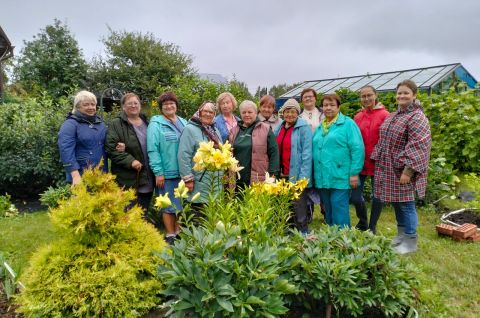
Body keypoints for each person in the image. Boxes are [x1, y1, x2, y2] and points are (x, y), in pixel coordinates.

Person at [371, 80, 431, 254]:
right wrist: (376, 157)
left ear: (414, 95)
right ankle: (401, 236)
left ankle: (410, 241)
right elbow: (383, 139)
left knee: (406, 204)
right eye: (399, 93)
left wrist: (408, 170)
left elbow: (419, 145)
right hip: (389, 168)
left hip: (403, 170)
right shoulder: (394, 115)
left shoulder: (417, 117)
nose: (401, 96)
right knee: (398, 203)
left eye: (406, 93)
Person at [312, 94, 364, 228]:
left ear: (338, 107)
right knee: (328, 208)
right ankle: (330, 237)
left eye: (332, 105)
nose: (328, 108)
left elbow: (357, 149)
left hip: (340, 175)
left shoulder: (347, 124)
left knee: (338, 207)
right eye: (325, 105)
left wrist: (354, 173)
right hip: (323, 176)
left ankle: (342, 240)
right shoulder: (321, 126)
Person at [147, 92, 187, 244]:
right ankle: (170, 235)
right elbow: (153, 149)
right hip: (166, 173)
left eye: (172, 103)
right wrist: (158, 172)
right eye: (165, 105)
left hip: (183, 172)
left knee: (181, 205)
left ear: (176, 105)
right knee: (168, 205)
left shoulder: (183, 122)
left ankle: (179, 233)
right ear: (161, 108)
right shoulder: (156, 124)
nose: (169, 106)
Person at [106, 93, 154, 213]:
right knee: (129, 210)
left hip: (147, 173)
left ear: (140, 105)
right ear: (123, 107)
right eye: (129, 103)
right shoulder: (116, 124)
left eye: (136, 103)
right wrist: (131, 161)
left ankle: (143, 230)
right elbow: (111, 148)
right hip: (128, 175)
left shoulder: (147, 122)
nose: (133, 105)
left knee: (144, 208)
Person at [350, 86, 390, 234]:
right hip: (360, 163)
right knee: (355, 196)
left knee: (378, 197)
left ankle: (372, 227)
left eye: (369, 95)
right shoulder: (358, 117)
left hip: (378, 163)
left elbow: (388, 141)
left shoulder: (385, 115)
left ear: (376, 95)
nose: (366, 99)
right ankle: (362, 222)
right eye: (363, 96)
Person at [274, 99, 312, 235]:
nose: (289, 114)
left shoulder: (303, 128)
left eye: (293, 111)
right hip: (282, 173)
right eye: (287, 111)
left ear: (298, 113)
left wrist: (303, 178)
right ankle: (287, 231)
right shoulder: (279, 128)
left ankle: (303, 232)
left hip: (296, 174)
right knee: (285, 204)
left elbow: (307, 155)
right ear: (283, 113)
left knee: (299, 205)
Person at [178, 102, 223, 210]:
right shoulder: (190, 129)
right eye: (205, 111)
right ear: (199, 112)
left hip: (214, 181)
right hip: (199, 180)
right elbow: (184, 155)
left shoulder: (215, 130)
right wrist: (188, 179)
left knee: (212, 216)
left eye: (211, 112)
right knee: (198, 214)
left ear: (214, 114)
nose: (208, 114)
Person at [58, 90, 107, 185]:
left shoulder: (100, 124)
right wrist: (75, 175)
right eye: (86, 105)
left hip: (101, 174)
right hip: (81, 175)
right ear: (77, 107)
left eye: (93, 104)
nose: (91, 107)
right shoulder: (70, 124)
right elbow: (66, 150)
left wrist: (119, 146)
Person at [228, 100, 279, 189]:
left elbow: (274, 153)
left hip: (258, 178)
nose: (247, 115)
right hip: (237, 179)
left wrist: (273, 175)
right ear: (240, 114)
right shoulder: (234, 131)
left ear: (256, 113)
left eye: (250, 112)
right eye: (244, 112)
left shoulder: (265, 129)